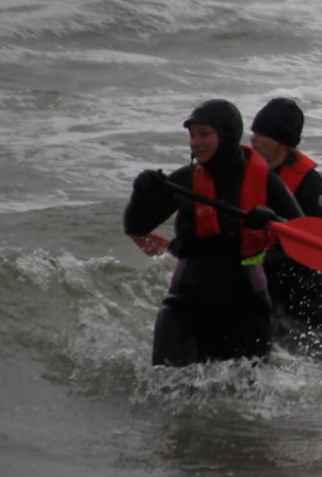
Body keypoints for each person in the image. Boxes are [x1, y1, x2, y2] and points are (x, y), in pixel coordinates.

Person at [124, 99, 303, 366]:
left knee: (242, 391)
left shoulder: (267, 182)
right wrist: (141, 194)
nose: (194, 142)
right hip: (185, 307)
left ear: (227, 135)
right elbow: (136, 227)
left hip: (247, 310)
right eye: (192, 135)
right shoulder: (185, 180)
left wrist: (272, 219)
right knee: (167, 384)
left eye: (204, 134)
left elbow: (300, 240)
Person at [249, 97, 322, 363]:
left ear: (283, 143)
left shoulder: (311, 187)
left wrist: (259, 258)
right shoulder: (247, 173)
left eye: (263, 134)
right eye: (254, 132)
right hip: (275, 295)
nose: (254, 139)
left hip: (316, 301)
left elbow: (317, 251)